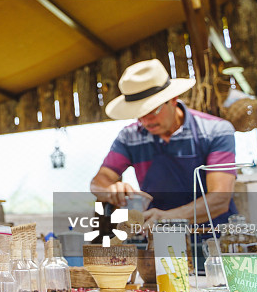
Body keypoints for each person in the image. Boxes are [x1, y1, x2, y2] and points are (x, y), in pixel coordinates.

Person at [89, 59, 237, 230]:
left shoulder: (215, 130)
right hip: (159, 236)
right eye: (139, 114)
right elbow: (97, 182)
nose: (145, 121)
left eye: (152, 111)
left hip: (213, 234)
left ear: (173, 99)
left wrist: (169, 218)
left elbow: (220, 199)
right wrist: (111, 190)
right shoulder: (129, 137)